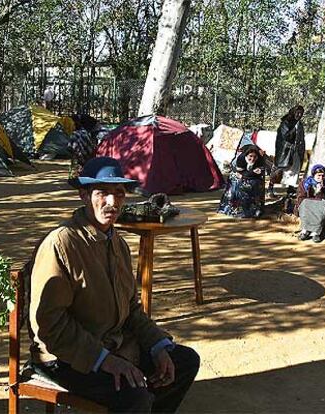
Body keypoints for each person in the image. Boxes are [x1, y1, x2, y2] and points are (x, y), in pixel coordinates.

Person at [28, 156, 200, 412]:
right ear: (83, 195)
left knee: (183, 361)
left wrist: (157, 346)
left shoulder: (117, 243)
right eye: (102, 193)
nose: (112, 202)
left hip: (114, 345)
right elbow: (49, 326)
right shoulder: (61, 244)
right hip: (66, 357)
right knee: (134, 396)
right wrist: (104, 360)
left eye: (119, 193)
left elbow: (131, 307)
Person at [267, 105, 305, 198]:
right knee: (279, 170)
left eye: (301, 113)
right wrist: (294, 129)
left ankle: (290, 189)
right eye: (297, 113)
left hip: (295, 151)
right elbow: (286, 136)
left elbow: (301, 138)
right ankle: (270, 188)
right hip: (285, 151)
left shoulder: (299, 124)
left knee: (294, 170)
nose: (299, 115)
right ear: (293, 112)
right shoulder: (286, 123)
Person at [218, 144, 265, 218]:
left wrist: (249, 174)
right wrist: (251, 173)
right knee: (236, 182)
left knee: (255, 184)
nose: (252, 159)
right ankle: (235, 209)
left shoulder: (260, 160)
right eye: (250, 156)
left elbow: (260, 173)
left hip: (253, 178)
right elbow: (239, 173)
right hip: (240, 177)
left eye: (254, 156)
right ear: (246, 155)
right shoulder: (241, 158)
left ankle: (255, 209)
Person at [295, 164, 325, 243]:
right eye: (318, 175)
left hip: (323, 209)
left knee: (320, 205)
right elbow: (300, 199)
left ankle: (315, 233)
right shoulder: (304, 184)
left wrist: (320, 192)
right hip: (307, 208)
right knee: (306, 203)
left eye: (323, 176)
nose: (321, 178)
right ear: (313, 175)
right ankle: (305, 231)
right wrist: (313, 201)